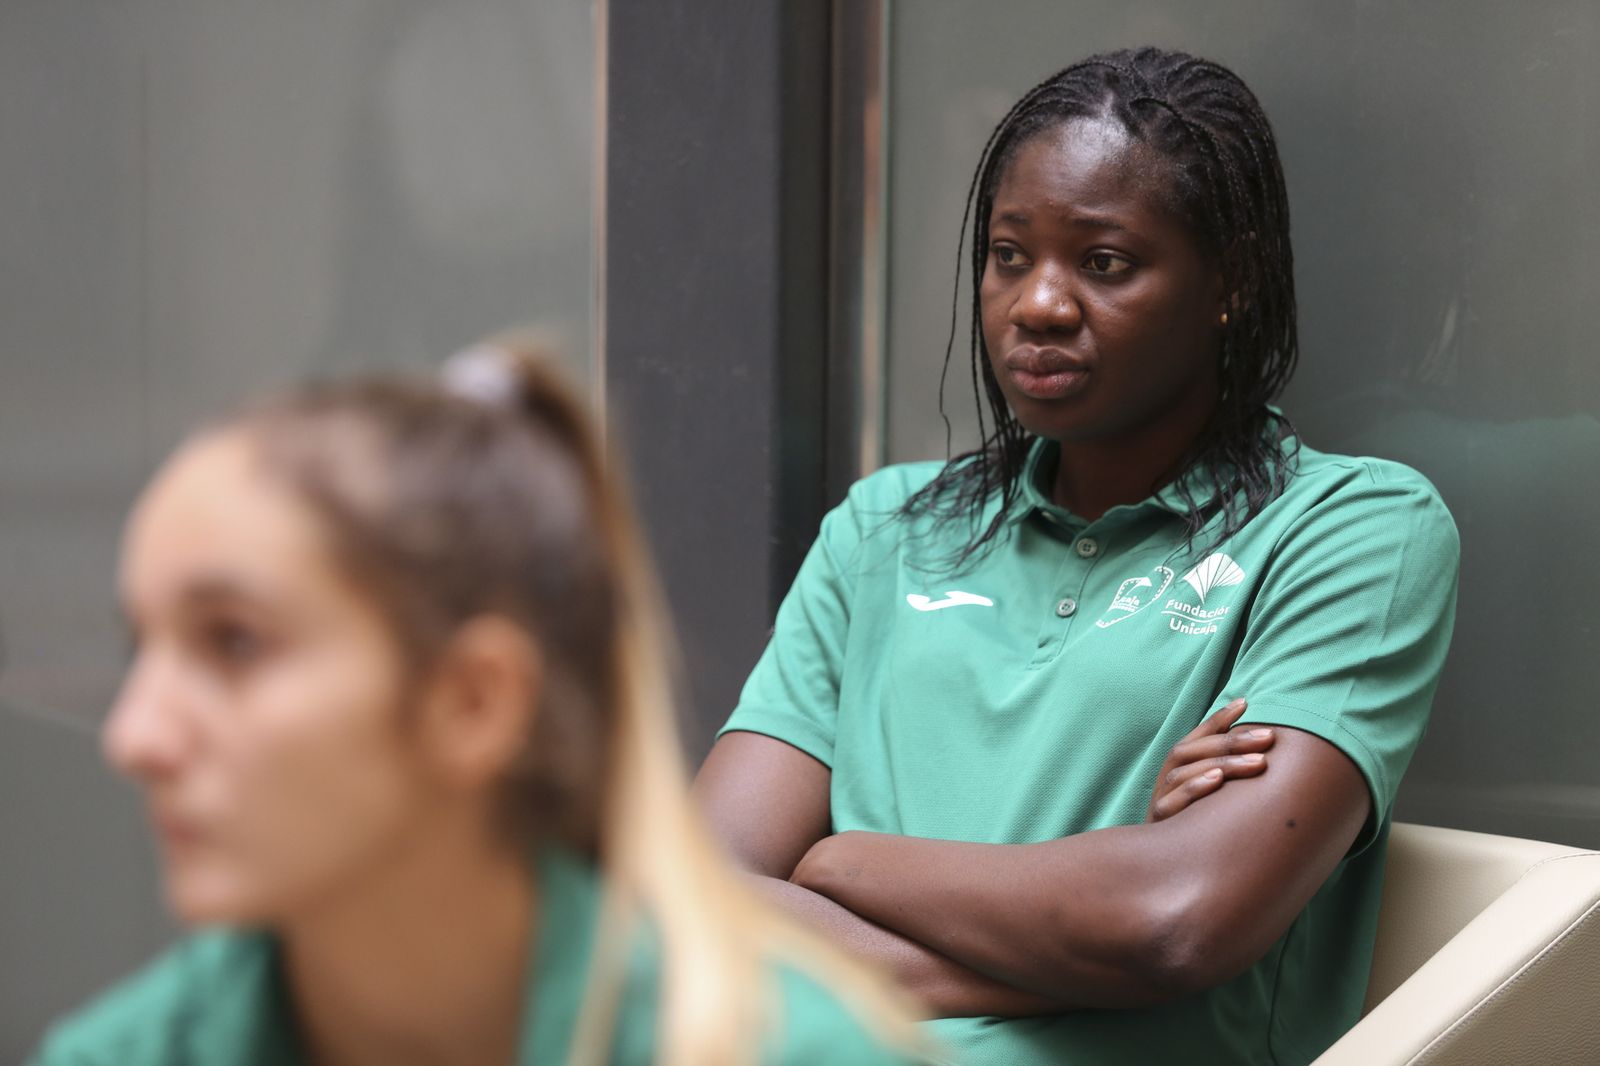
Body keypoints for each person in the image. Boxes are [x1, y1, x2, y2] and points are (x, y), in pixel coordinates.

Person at [695, 46, 1460, 1066]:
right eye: (1010, 255)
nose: (1038, 304)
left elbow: (1172, 920)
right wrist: (1079, 919)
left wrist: (840, 858)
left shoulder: (1348, 529)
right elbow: (690, 905)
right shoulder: (883, 529)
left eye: (1103, 263)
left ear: (1228, 282)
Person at [29, 339, 925, 1066]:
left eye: (234, 642)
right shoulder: (117, 1053)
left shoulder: (795, 1051)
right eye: (140, 648)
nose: (135, 737)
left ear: (472, 703)